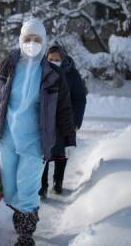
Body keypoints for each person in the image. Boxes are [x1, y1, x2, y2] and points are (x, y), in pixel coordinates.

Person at [0, 18, 76, 246]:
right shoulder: (7, 66)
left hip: (36, 140)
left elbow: (64, 107)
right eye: (27, 39)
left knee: (28, 187)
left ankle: (26, 234)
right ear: (21, 40)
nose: (32, 43)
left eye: (37, 39)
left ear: (44, 42)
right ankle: (21, 216)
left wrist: (68, 137)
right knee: (11, 188)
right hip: (7, 138)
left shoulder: (52, 73)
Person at [38, 44, 87, 197]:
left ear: (63, 59)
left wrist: (76, 122)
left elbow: (80, 98)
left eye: (57, 59)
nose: (53, 62)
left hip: (65, 119)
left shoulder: (71, 74)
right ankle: (42, 187)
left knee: (61, 153)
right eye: (50, 59)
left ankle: (58, 182)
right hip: (45, 120)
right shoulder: (41, 72)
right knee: (43, 154)